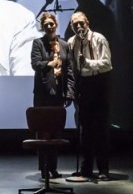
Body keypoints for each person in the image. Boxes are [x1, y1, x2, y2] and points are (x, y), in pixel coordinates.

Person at [67, 11, 112, 180]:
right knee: (85, 129)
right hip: (83, 85)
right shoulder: (72, 42)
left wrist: (88, 63)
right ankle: (85, 168)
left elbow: (107, 63)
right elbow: (73, 67)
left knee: (101, 128)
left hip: (99, 82)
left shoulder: (99, 38)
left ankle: (103, 169)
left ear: (87, 23)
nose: (78, 26)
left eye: (81, 23)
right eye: (75, 24)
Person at [31, 12, 76, 178]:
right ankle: (43, 168)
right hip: (43, 94)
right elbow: (35, 64)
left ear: (56, 24)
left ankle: (53, 167)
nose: (49, 27)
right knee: (42, 133)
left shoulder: (64, 44)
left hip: (59, 94)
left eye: (51, 24)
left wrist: (70, 93)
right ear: (42, 27)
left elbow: (70, 70)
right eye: (46, 25)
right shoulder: (38, 43)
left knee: (56, 132)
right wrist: (50, 63)